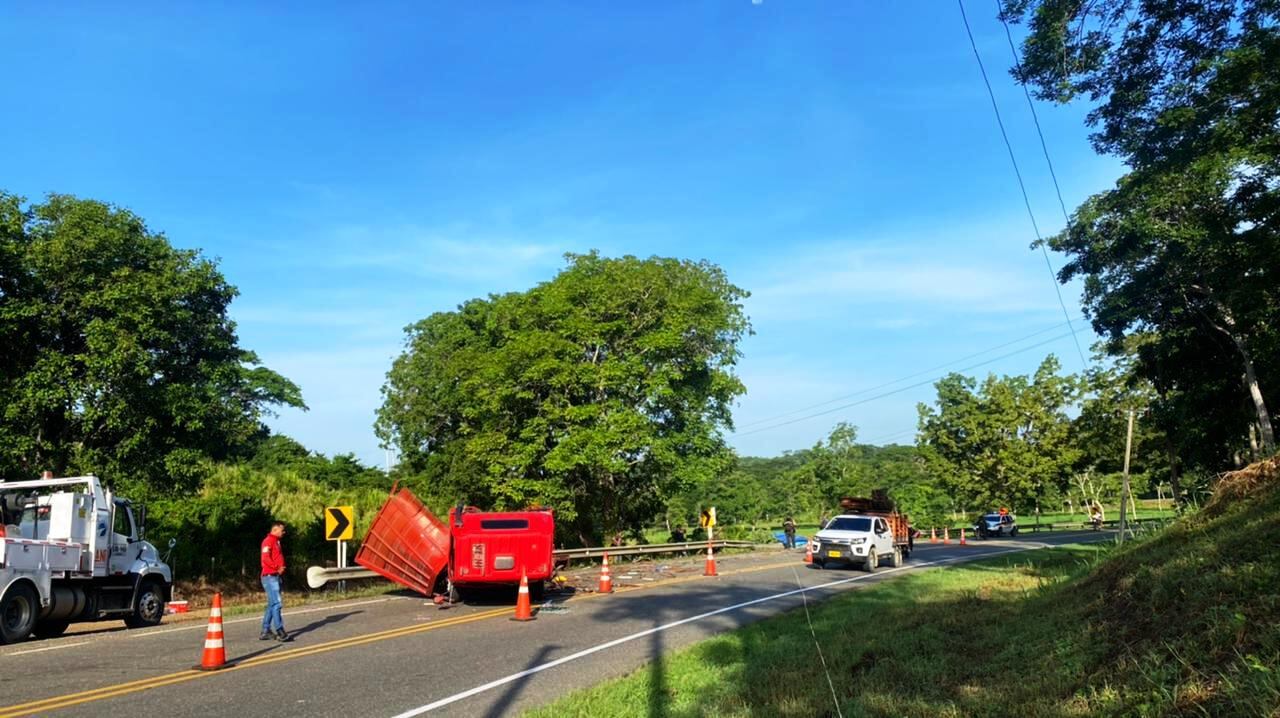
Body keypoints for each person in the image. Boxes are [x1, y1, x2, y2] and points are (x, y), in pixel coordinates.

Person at [260, 521, 289, 641]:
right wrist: (277, 567)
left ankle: (265, 630)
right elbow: (265, 558)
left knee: (272, 604)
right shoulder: (268, 541)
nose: (284, 532)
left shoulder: (276, 541)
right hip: (270, 576)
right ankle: (280, 630)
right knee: (277, 603)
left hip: (275, 576)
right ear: (275, 529)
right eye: (282, 530)